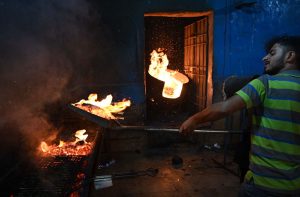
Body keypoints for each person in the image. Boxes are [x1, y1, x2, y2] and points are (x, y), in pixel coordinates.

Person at [179, 35, 300, 196]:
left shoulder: (266, 83)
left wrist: (194, 120)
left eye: (272, 53)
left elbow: (224, 108)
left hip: (261, 184)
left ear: (290, 56)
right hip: (294, 186)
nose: (265, 58)